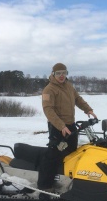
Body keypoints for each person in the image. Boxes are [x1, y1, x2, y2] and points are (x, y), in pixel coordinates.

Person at [38, 62, 97, 192]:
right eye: (58, 73)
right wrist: (61, 126)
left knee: (71, 153)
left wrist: (88, 110)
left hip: (71, 126)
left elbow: (78, 99)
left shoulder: (69, 86)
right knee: (52, 155)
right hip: (57, 127)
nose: (61, 76)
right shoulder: (48, 89)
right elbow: (48, 110)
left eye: (64, 73)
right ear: (53, 74)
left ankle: (66, 180)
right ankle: (44, 185)